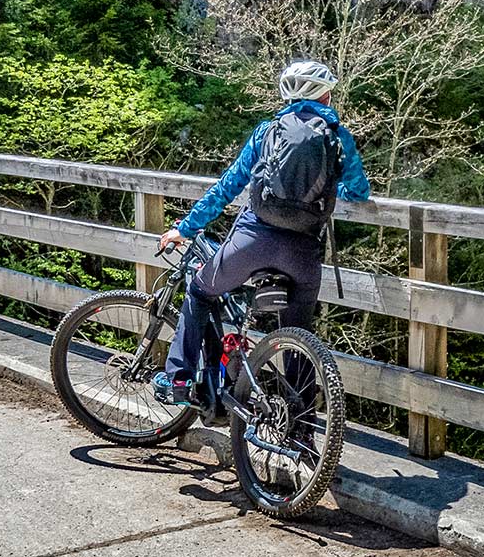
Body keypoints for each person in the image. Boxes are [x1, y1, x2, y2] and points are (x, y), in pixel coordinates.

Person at [153, 61, 372, 407]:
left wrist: (185, 228)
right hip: (302, 251)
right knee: (299, 335)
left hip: (252, 241)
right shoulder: (337, 137)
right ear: (325, 96)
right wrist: (330, 193)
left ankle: (179, 379)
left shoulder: (266, 132)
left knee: (199, 290)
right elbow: (359, 191)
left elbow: (227, 188)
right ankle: (301, 430)